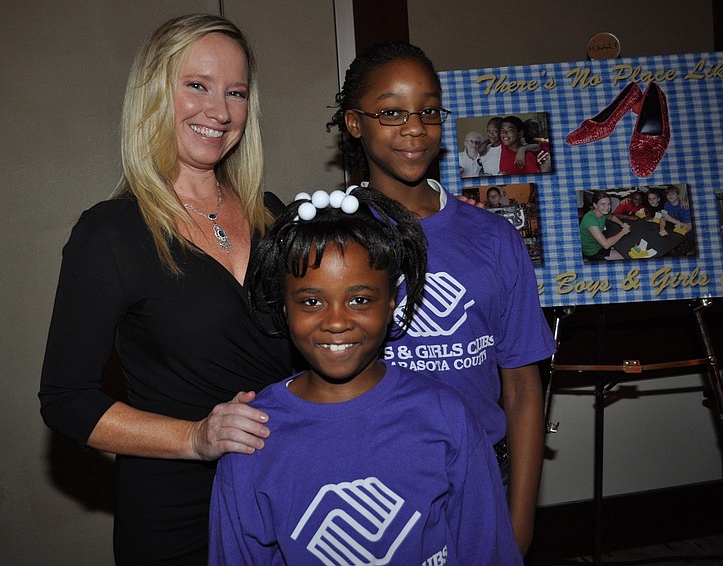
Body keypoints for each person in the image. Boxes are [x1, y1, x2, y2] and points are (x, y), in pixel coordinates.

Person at [38, 14, 295, 565]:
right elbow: (66, 401)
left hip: (286, 495)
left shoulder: (274, 216)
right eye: (197, 86)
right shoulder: (110, 233)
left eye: (236, 93)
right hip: (178, 515)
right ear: (155, 94)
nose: (219, 111)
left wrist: (431, 218)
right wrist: (196, 439)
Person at [326, 40, 555, 555]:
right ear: (354, 123)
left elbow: (521, 389)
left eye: (428, 111)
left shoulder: (494, 238)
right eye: (391, 112)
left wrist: (518, 524)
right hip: (366, 484)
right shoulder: (329, 238)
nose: (415, 128)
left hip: (481, 478)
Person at [209, 187, 522, 565]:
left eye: (359, 300)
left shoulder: (445, 414)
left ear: (391, 302)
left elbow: (487, 550)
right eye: (311, 301)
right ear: (284, 307)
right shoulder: (252, 437)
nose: (337, 321)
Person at [579, 190, 631, 261]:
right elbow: (606, 245)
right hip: (592, 251)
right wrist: (623, 232)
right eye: (603, 204)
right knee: (625, 257)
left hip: (599, 244)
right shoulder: (590, 220)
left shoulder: (602, 212)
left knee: (626, 249)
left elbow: (612, 217)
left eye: (608, 204)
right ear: (595, 205)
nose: (607, 207)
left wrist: (621, 224)